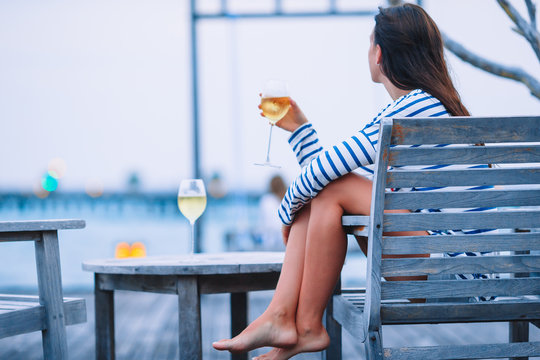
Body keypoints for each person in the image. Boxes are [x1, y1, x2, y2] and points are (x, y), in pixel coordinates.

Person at [213, 3, 475, 359]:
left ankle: (301, 324)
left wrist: (287, 214)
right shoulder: (424, 108)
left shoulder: (413, 108)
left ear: (379, 53)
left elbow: (329, 179)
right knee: (331, 187)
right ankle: (286, 319)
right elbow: (335, 182)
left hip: (450, 276)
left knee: (330, 185)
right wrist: (302, 133)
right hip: (453, 271)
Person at [257, 174, 288, 251]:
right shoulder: (288, 198)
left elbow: (266, 224)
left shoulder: (267, 200)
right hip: (285, 241)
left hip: (270, 243)